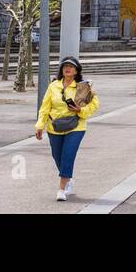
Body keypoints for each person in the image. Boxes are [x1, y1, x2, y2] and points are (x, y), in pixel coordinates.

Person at [35, 56, 100, 201]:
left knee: (68, 155)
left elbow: (94, 105)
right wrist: (40, 126)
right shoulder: (53, 86)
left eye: (71, 66)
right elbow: (45, 107)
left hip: (76, 126)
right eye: (65, 66)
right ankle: (68, 178)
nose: (67, 68)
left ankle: (61, 189)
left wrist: (80, 110)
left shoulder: (83, 87)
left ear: (76, 70)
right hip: (55, 127)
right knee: (57, 157)